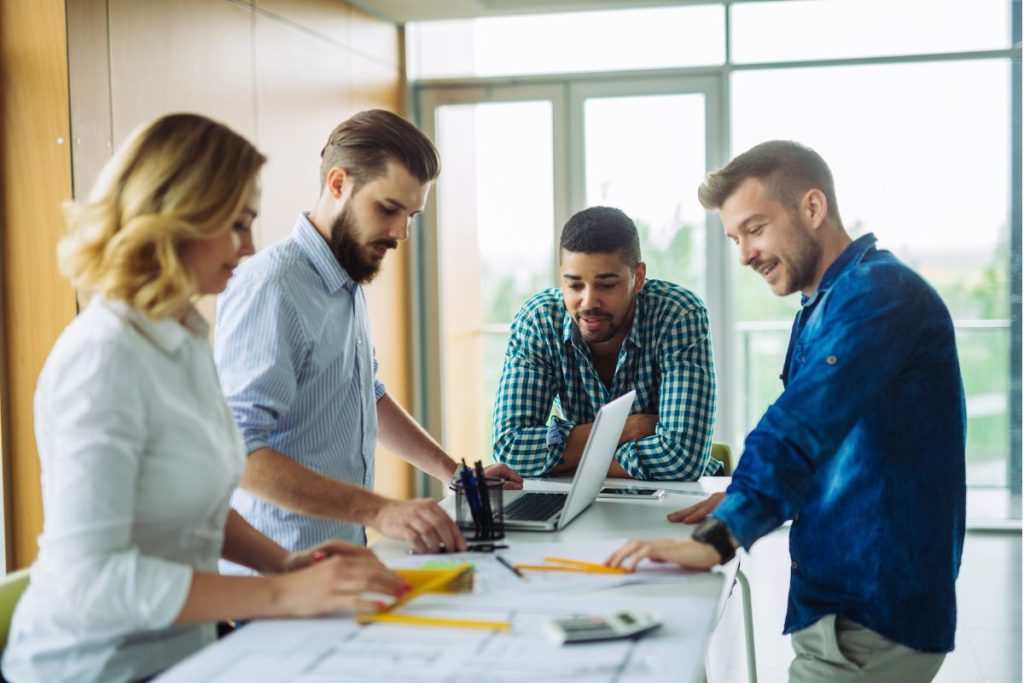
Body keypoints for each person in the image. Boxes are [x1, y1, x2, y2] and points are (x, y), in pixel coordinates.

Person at [1, 114, 406, 683]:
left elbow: (194, 510)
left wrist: (283, 562)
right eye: (236, 224)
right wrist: (283, 593)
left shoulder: (183, 336)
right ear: (176, 220)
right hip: (94, 667)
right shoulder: (103, 358)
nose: (249, 246)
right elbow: (89, 581)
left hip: (182, 657)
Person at [607, 141, 966, 682]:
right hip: (843, 604)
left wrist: (722, 534)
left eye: (755, 228)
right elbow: (837, 446)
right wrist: (741, 496)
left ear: (813, 209)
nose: (745, 253)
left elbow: (800, 424)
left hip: (869, 615)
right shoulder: (825, 303)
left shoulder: (879, 294)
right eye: (735, 239)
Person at [215, 109, 521, 563]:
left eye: (411, 215)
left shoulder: (345, 277)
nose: (401, 233)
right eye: (388, 209)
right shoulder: (272, 286)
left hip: (337, 564)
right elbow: (238, 451)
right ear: (338, 184)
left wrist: (455, 474)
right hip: (277, 578)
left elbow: (366, 395)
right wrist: (381, 511)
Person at [492, 206, 717, 480]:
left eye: (607, 285)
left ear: (639, 278)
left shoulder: (678, 314)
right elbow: (510, 449)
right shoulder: (539, 320)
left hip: (676, 498)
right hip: (581, 499)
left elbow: (682, 459)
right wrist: (627, 428)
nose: (588, 303)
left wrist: (565, 459)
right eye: (574, 285)